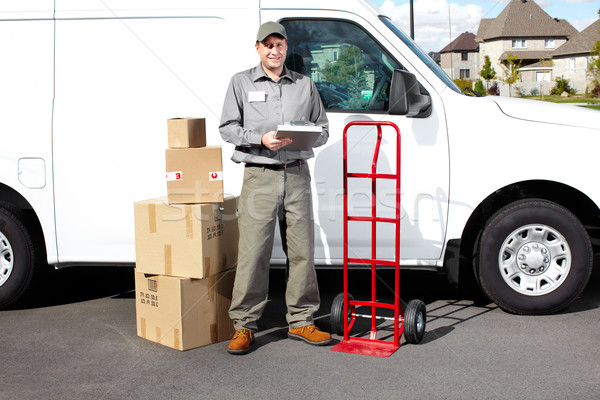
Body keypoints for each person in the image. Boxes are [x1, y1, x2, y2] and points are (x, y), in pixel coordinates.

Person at [219, 21, 330, 355]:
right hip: (259, 175)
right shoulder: (241, 82)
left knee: (301, 251)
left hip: (297, 175)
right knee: (254, 252)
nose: (274, 50)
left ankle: (301, 321)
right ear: (258, 48)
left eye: (279, 45)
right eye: (267, 45)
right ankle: (244, 325)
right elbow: (227, 127)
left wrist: (306, 135)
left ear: (286, 48)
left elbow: (323, 128)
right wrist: (260, 139)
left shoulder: (304, 85)